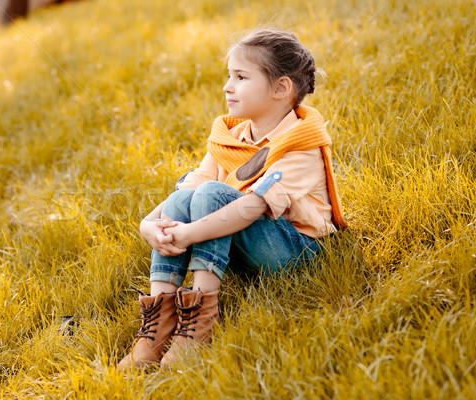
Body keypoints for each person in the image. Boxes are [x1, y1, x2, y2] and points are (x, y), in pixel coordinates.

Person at [118, 29, 348, 371]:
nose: (228, 86)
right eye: (229, 75)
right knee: (189, 198)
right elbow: (188, 190)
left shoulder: (301, 144)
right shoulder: (233, 137)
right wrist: (148, 224)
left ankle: (198, 325)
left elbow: (251, 206)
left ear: (281, 89)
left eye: (240, 77)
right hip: (247, 239)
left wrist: (188, 235)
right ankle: (159, 320)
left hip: (294, 250)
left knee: (212, 195)